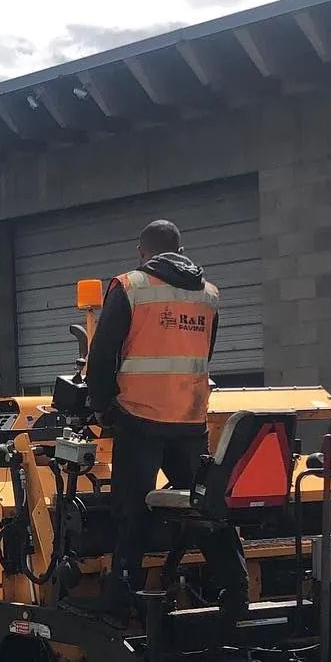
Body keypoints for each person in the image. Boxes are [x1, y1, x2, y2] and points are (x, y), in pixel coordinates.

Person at [84, 219, 249, 616]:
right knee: (203, 506)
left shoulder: (129, 286)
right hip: (190, 417)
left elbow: (102, 355)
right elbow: (203, 354)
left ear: (144, 251)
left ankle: (124, 599)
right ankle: (234, 588)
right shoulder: (209, 295)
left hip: (139, 417)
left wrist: (102, 406)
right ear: (180, 247)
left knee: (132, 509)